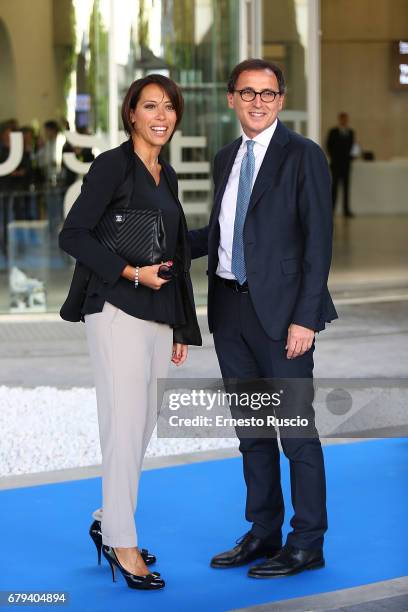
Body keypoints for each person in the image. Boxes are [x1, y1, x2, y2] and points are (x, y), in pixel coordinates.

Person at [189, 58, 338, 579]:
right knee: (252, 432)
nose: (257, 102)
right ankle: (263, 532)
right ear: (231, 98)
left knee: (295, 433)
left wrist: (306, 320)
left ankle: (307, 542)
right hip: (231, 310)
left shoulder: (304, 156)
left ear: (281, 99)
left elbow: (319, 244)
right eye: (247, 92)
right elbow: (224, 232)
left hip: (283, 318)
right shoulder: (226, 156)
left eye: (268, 93)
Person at [59, 74, 202, 591]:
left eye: (169, 107)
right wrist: (129, 272)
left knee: (141, 427)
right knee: (123, 425)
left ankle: (106, 517)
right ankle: (122, 541)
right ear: (131, 115)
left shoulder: (167, 176)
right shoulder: (112, 165)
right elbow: (72, 233)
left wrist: (182, 324)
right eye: (150, 106)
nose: (161, 116)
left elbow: (179, 253)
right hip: (116, 309)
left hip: (159, 316)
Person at [326, 112, 355, 217]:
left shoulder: (351, 132)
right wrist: (334, 157)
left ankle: (346, 210)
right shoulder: (333, 132)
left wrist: (351, 157)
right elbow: (328, 145)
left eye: (346, 119)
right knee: (334, 187)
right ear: (339, 119)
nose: (344, 121)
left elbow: (352, 147)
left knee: (346, 188)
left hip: (347, 164)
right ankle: (332, 209)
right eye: (342, 119)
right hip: (336, 164)